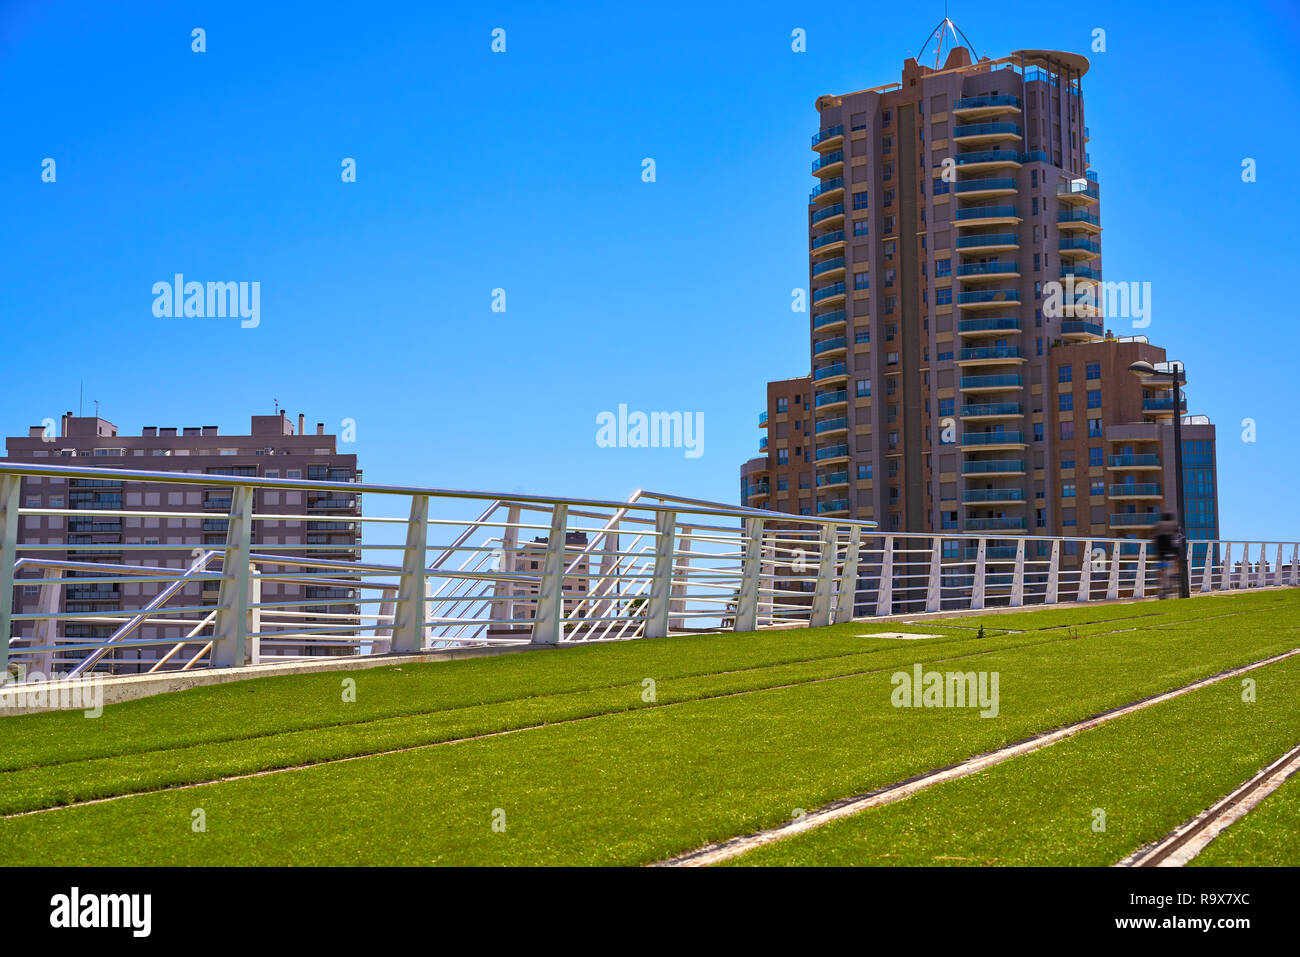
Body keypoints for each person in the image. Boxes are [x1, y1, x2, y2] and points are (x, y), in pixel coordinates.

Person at [1152, 512, 1185, 599]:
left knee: (1162, 567)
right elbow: (1180, 534)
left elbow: (1154, 536)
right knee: (1178, 556)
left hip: (1159, 547)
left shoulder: (1158, 525)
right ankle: (1176, 571)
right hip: (1168, 545)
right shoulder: (1173, 524)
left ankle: (1161, 587)